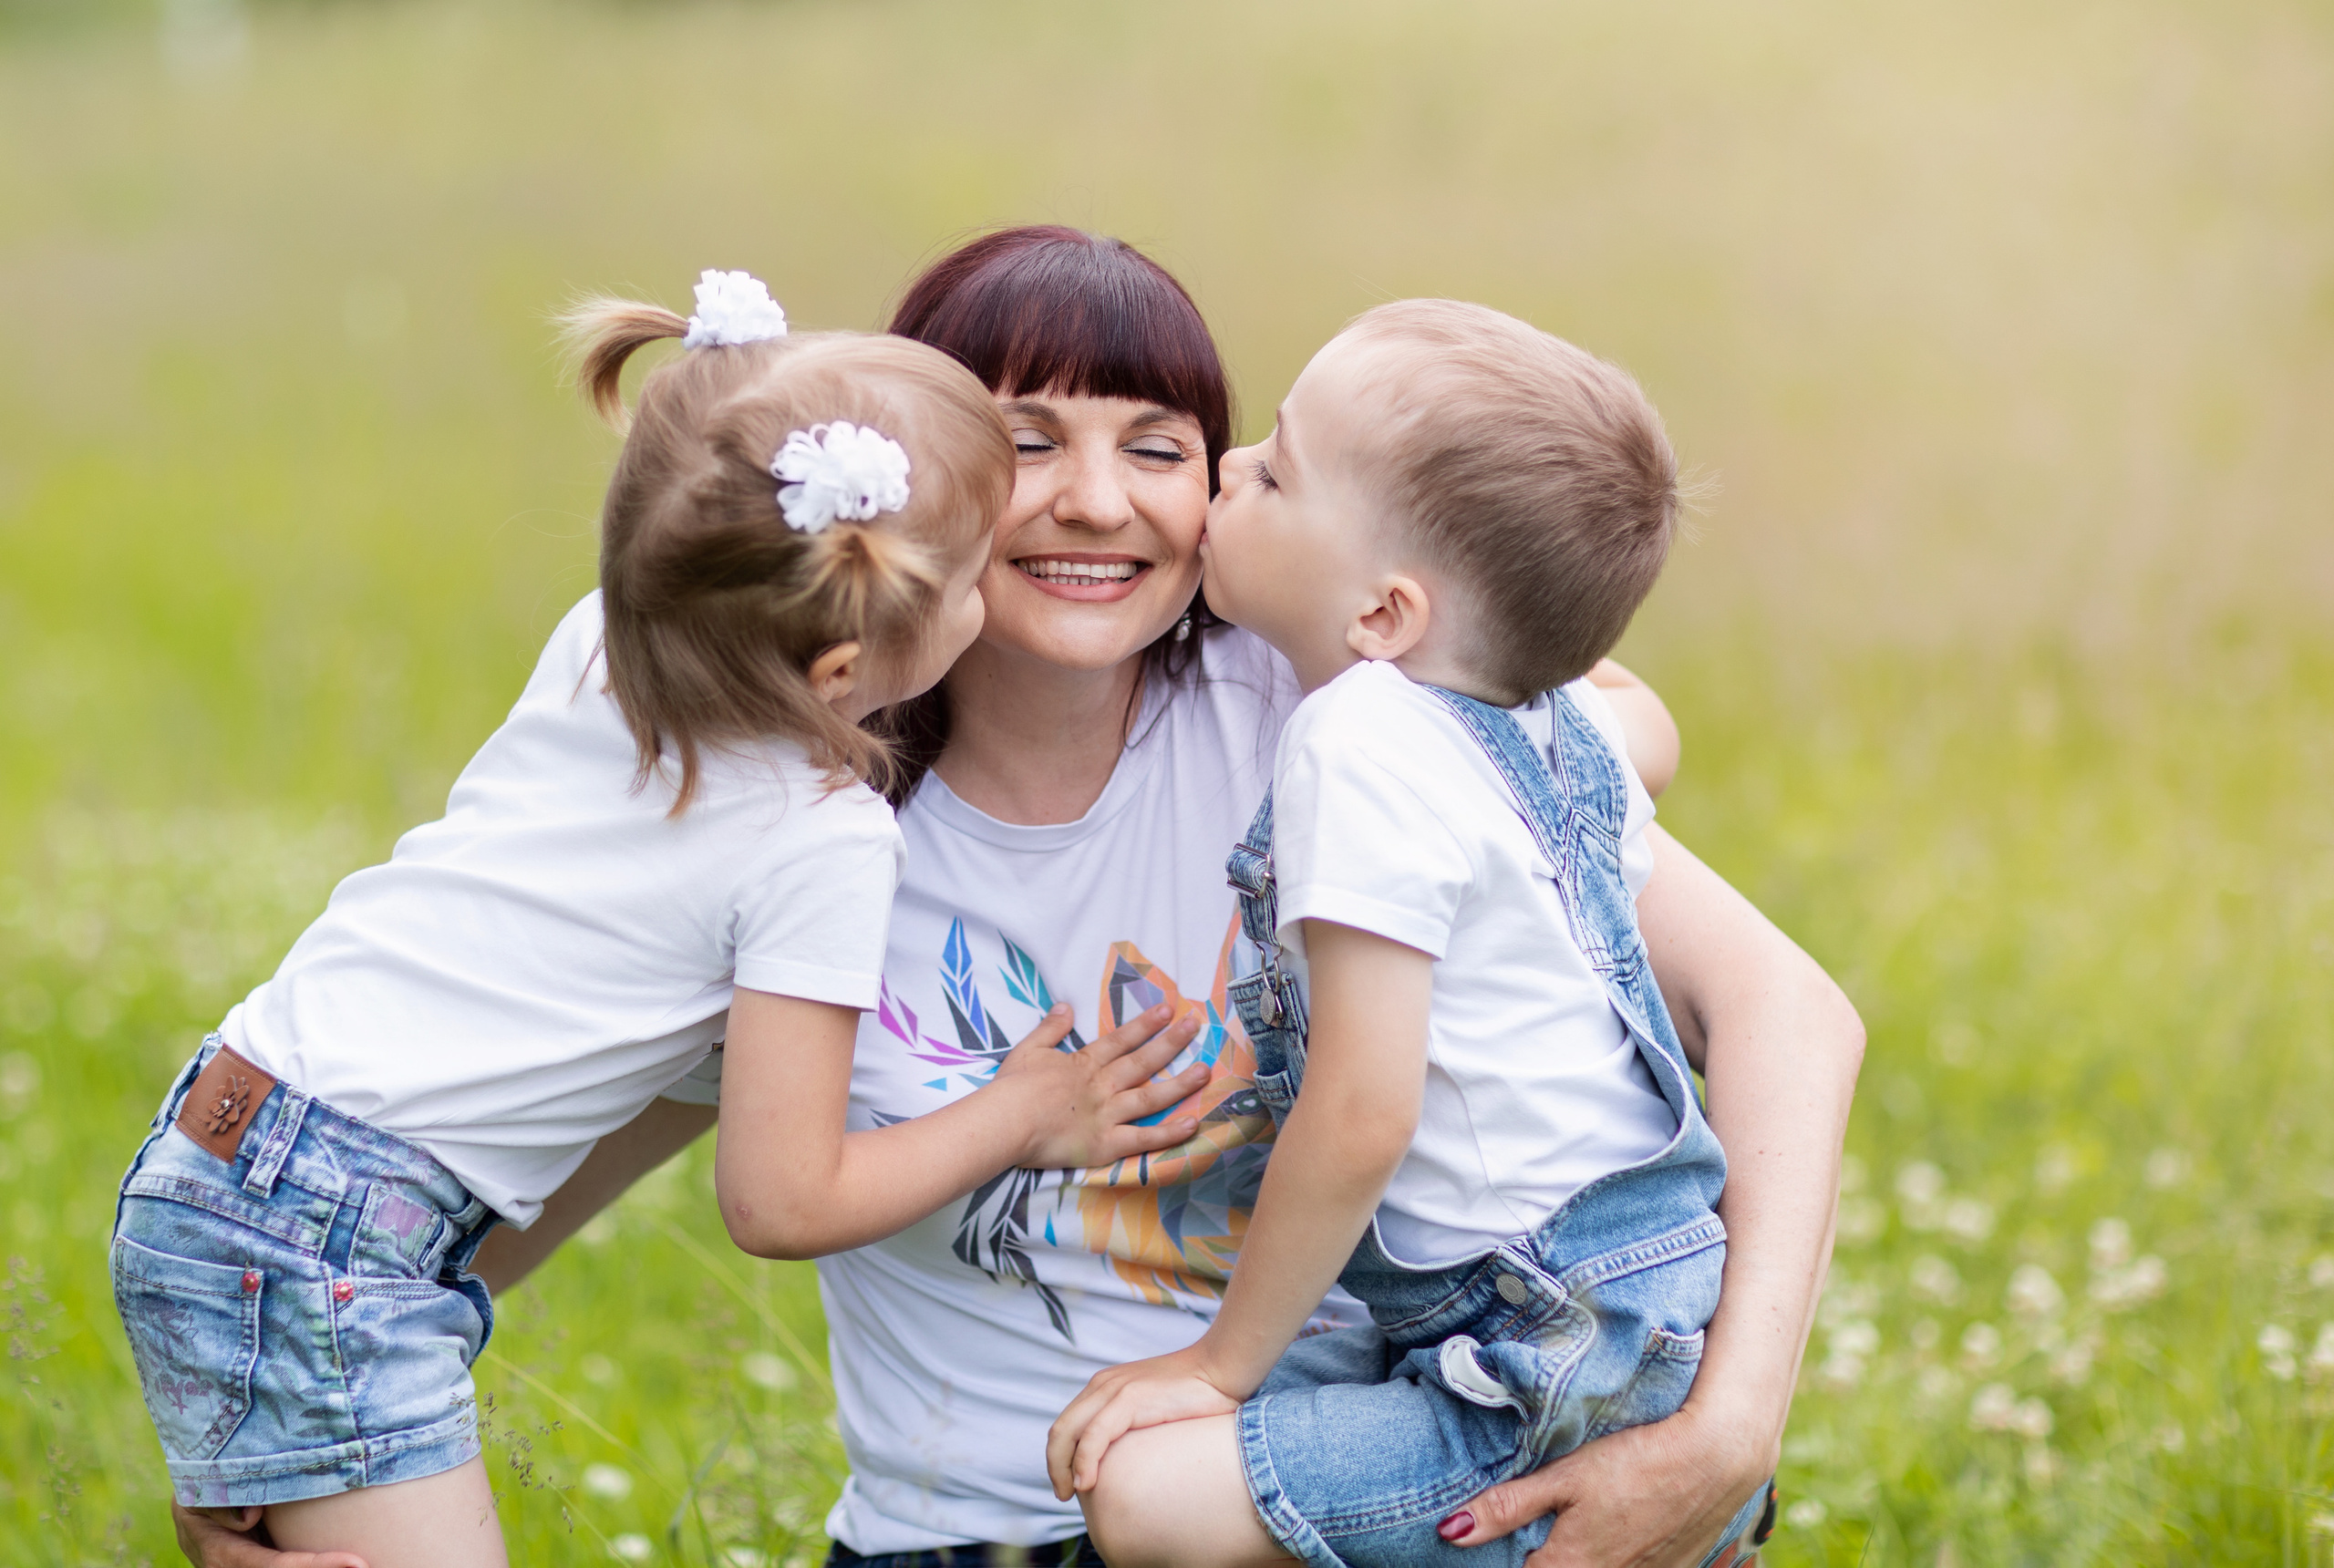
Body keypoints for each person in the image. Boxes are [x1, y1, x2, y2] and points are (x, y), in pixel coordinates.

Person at [174, 230, 1862, 1568]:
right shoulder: (784, 797)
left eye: (1164, 448)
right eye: (1023, 441)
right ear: (903, 493)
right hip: (966, 1539)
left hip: (1311, 1512)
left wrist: (1728, 1427)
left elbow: (1785, 1005)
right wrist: (291, 1441)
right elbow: (528, 1148)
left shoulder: (1335, 710)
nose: (1094, 501)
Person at [120, 270, 1213, 1568]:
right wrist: (1027, 1115)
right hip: (330, 1233)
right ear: (847, 669)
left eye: (1157, 448)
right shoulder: (824, 837)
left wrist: (256, 1394)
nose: (1083, 504)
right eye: (973, 563)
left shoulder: (609, 643)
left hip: (232, 1151)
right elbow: (780, 1196)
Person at [1049, 298, 1768, 1568]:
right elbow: (1640, 730)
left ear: (1383, 617)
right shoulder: (1528, 719)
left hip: (1540, 1339)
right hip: (1626, 1290)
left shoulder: (1362, 737)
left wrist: (1218, 1368)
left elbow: (1366, 1106)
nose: (1228, 470)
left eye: (1275, 471)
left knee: (1146, 1493)